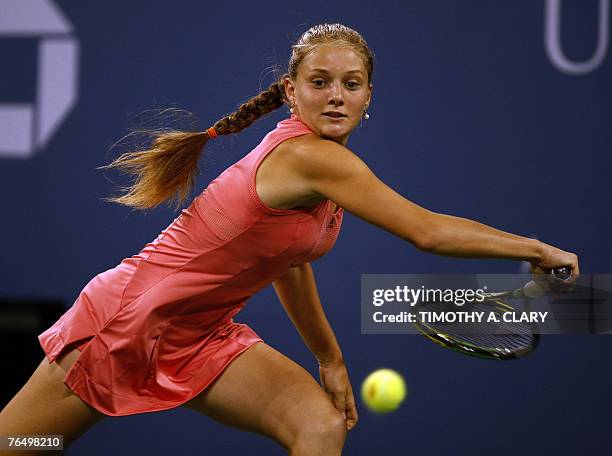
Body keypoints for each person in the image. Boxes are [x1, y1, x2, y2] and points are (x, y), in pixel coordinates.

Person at [0, 23, 579, 455]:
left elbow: (285, 259)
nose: (336, 96)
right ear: (290, 90)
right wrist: (535, 248)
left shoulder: (316, 165)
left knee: (317, 424)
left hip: (201, 334)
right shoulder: (310, 159)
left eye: (351, 85)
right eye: (320, 82)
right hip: (123, 324)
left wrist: (328, 357)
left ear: (368, 96)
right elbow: (426, 233)